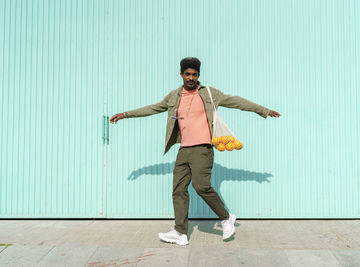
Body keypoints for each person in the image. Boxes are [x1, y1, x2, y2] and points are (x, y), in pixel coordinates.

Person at [109, 57, 281, 245]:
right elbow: (152, 108)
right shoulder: (174, 96)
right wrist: (126, 114)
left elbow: (236, 101)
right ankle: (180, 232)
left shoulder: (209, 93)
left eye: (194, 74)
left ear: (198, 75)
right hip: (184, 150)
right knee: (178, 190)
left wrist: (262, 110)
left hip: (202, 149)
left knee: (201, 186)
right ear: (181, 74)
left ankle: (226, 218)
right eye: (187, 74)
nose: (191, 77)